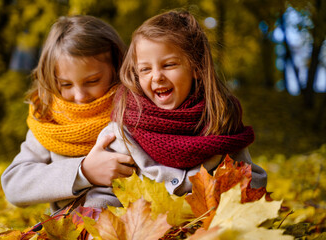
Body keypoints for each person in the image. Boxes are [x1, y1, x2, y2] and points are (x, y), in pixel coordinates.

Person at [83, 9, 267, 208]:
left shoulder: (219, 122)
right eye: (145, 69)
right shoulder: (126, 129)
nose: (157, 76)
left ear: (196, 68)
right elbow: (105, 192)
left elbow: (251, 180)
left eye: (169, 65)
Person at [1, 15, 136, 213]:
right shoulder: (51, 121)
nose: (80, 96)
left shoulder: (135, 109)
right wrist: (83, 171)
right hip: (70, 227)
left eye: (92, 81)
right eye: (66, 84)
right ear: (52, 80)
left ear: (116, 68)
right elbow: (14, 186)